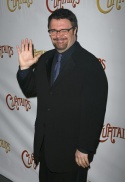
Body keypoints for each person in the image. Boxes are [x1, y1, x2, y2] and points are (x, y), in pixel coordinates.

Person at [16, 8, 108, 182]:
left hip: (72, 153)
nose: (58, 35)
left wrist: (84, 147)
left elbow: (94, 111)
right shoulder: (45, 59)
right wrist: (25, 69)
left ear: (75, 30)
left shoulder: (90, 65)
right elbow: (30, 90)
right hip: (46, 148)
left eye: (64, 30)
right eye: (53, 31)